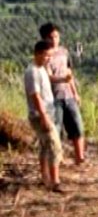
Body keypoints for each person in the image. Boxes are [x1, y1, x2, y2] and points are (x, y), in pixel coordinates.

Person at [39, 23, 86, 164]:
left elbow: (69, 73)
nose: (54, 39)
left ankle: (80, 157)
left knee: (77, 126)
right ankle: (57, 160)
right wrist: (62, 79)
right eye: (51, 37)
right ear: (44, 38)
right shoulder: (44, 56)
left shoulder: (64, 52)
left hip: (68, 95)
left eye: (56, 36)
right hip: (54, 98)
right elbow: (48, 77)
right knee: (56, 130)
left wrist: (75, 92)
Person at [24, 40, 65, 193]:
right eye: (46, 55)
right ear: (37, 53)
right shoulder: (33, 72)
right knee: (54, 146)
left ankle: (45, 178)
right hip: (40, 115)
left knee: (44, 146)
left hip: (46, 113)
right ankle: (55, 182)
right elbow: (35, 96)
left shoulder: (41, 69)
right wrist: (44, 116)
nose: (49, 58)